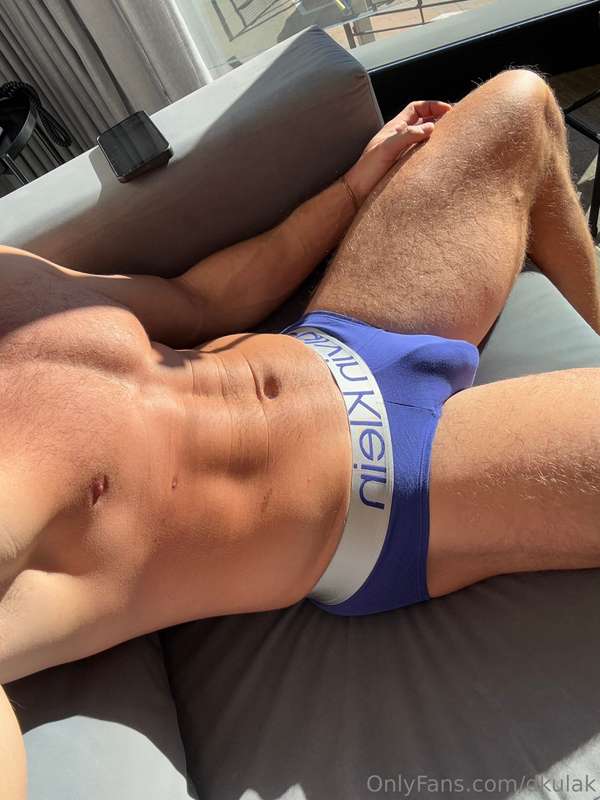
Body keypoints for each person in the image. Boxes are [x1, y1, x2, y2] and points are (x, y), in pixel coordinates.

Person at [1, 67, 600, 793]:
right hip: (378, 498)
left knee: (520, 106)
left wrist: (353, 188)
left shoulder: (9, 280)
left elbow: (200, 299)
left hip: (341, 337)